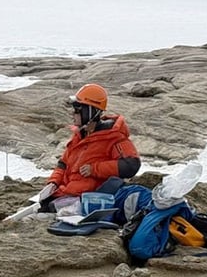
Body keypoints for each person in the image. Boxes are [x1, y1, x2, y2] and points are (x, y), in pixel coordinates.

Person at [40, 83, 140, 214]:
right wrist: (53, 182)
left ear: (90, 111)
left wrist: (95, 169)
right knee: (42, 205)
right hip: (66, 193)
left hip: (88, 199)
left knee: (46, 210)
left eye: (77, 110)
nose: (73, 114)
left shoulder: (113, 137)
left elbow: (131, 165)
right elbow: (63, 164)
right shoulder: (80, 135)